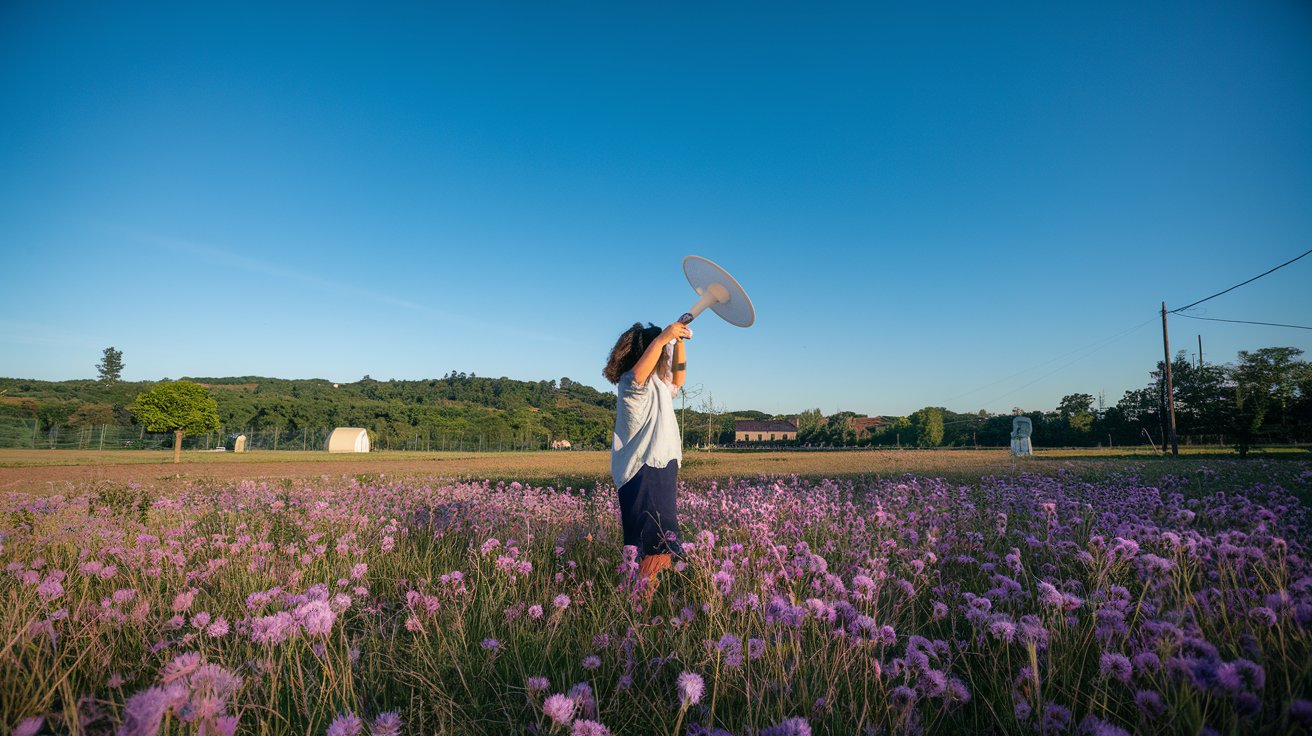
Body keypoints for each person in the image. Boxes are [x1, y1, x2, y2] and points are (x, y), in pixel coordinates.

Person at [603, 320, 691, 599]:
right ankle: (637, 615)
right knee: (657, 547)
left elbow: (679, 378)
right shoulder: (632, 384)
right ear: (646, 352)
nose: (664, 358)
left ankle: (636, 611)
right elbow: (640, 374)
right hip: (645, 472)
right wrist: (664, 337)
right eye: (661, 352)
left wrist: (679, 344)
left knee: (656, 548)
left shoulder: (659, 386)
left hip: (660, 470)